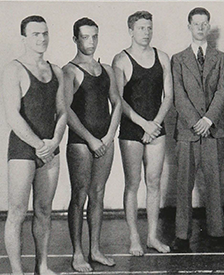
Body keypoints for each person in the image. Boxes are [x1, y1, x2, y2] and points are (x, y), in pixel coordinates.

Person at [3, 15, 67, 275]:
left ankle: (42, 265)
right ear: (24, 38)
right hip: (23, 148)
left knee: (44, 209)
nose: (41, 39)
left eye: (45, 33)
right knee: (17, 211)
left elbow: (63, 111)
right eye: (35, 34)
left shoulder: (57, 71)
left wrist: (54, 141)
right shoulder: (14, 69)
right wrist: (39, 144)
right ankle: (18, 271)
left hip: (50, 146)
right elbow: (12, 115)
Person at [171, 7, 224, 252]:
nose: (200, 27)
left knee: (214, 182)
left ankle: (218, 233)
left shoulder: (221, 58)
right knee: (183, 184)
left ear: (209, 27)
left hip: (213, 129)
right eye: (196, 23)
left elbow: (223, 91)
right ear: (189, 26)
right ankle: (181, 235)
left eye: (204, 23)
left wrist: (208, 119)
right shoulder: (177, 59)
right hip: (188, 131)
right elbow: (178, 94)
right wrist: (195, 121)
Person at [63, 17, 122, 271]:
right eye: (85, 37)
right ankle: (78, 253)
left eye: (94, 36)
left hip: (104, 139)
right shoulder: (69, 70)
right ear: (75, 39)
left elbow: (117, 103)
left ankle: (95, 249)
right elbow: (65, 109)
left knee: (98, 194)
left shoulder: (107, 69)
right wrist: (90, 139)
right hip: (81, 142)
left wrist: (108, 136)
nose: (91, 42)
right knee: (80, 195)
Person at [112, 11, 172, 256]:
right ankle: (134, 237)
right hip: (131, 129)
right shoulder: (121, 59)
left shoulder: (162, 57)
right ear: (130, 31)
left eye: (149, 28)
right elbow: (118, 99)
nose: (146, 32)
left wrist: (155, 123)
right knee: (133, 184)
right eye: (141, 28)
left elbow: (168, 95)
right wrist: (144, 125)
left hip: (156, 127)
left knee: (155, 183)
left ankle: (152, 236)